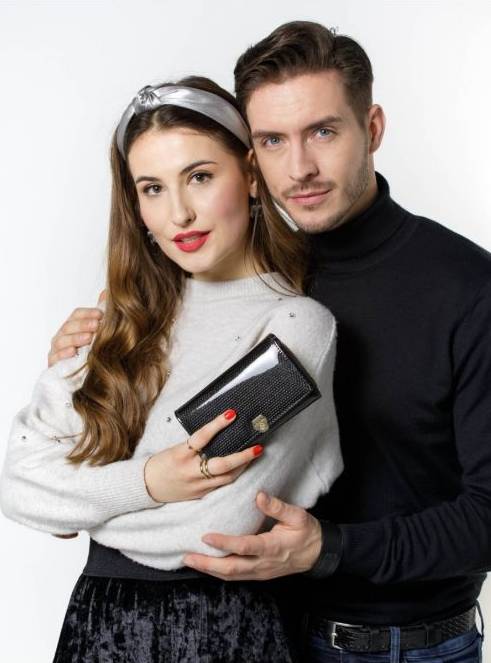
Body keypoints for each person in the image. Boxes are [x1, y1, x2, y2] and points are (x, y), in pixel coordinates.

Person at [49, 21, 491, 663]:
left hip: (398, 647)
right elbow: (144, 472)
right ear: (250, 160)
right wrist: (83, 380)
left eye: (324, 132)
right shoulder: (231, 280)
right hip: (250, 631)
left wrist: (329, 548)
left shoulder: (466, 287)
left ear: (372, 129)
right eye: (273, 140)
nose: (300, 168)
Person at [0, 74, 343, 662]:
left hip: (220, 629)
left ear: (251, 176)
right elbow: (18, 484)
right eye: (153, 188)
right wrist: (151, 481)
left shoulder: (295, 327)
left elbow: (215, 528)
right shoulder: (117, 321)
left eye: (199, 177)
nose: (179, 212)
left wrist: (81, 500)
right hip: (94, 626)